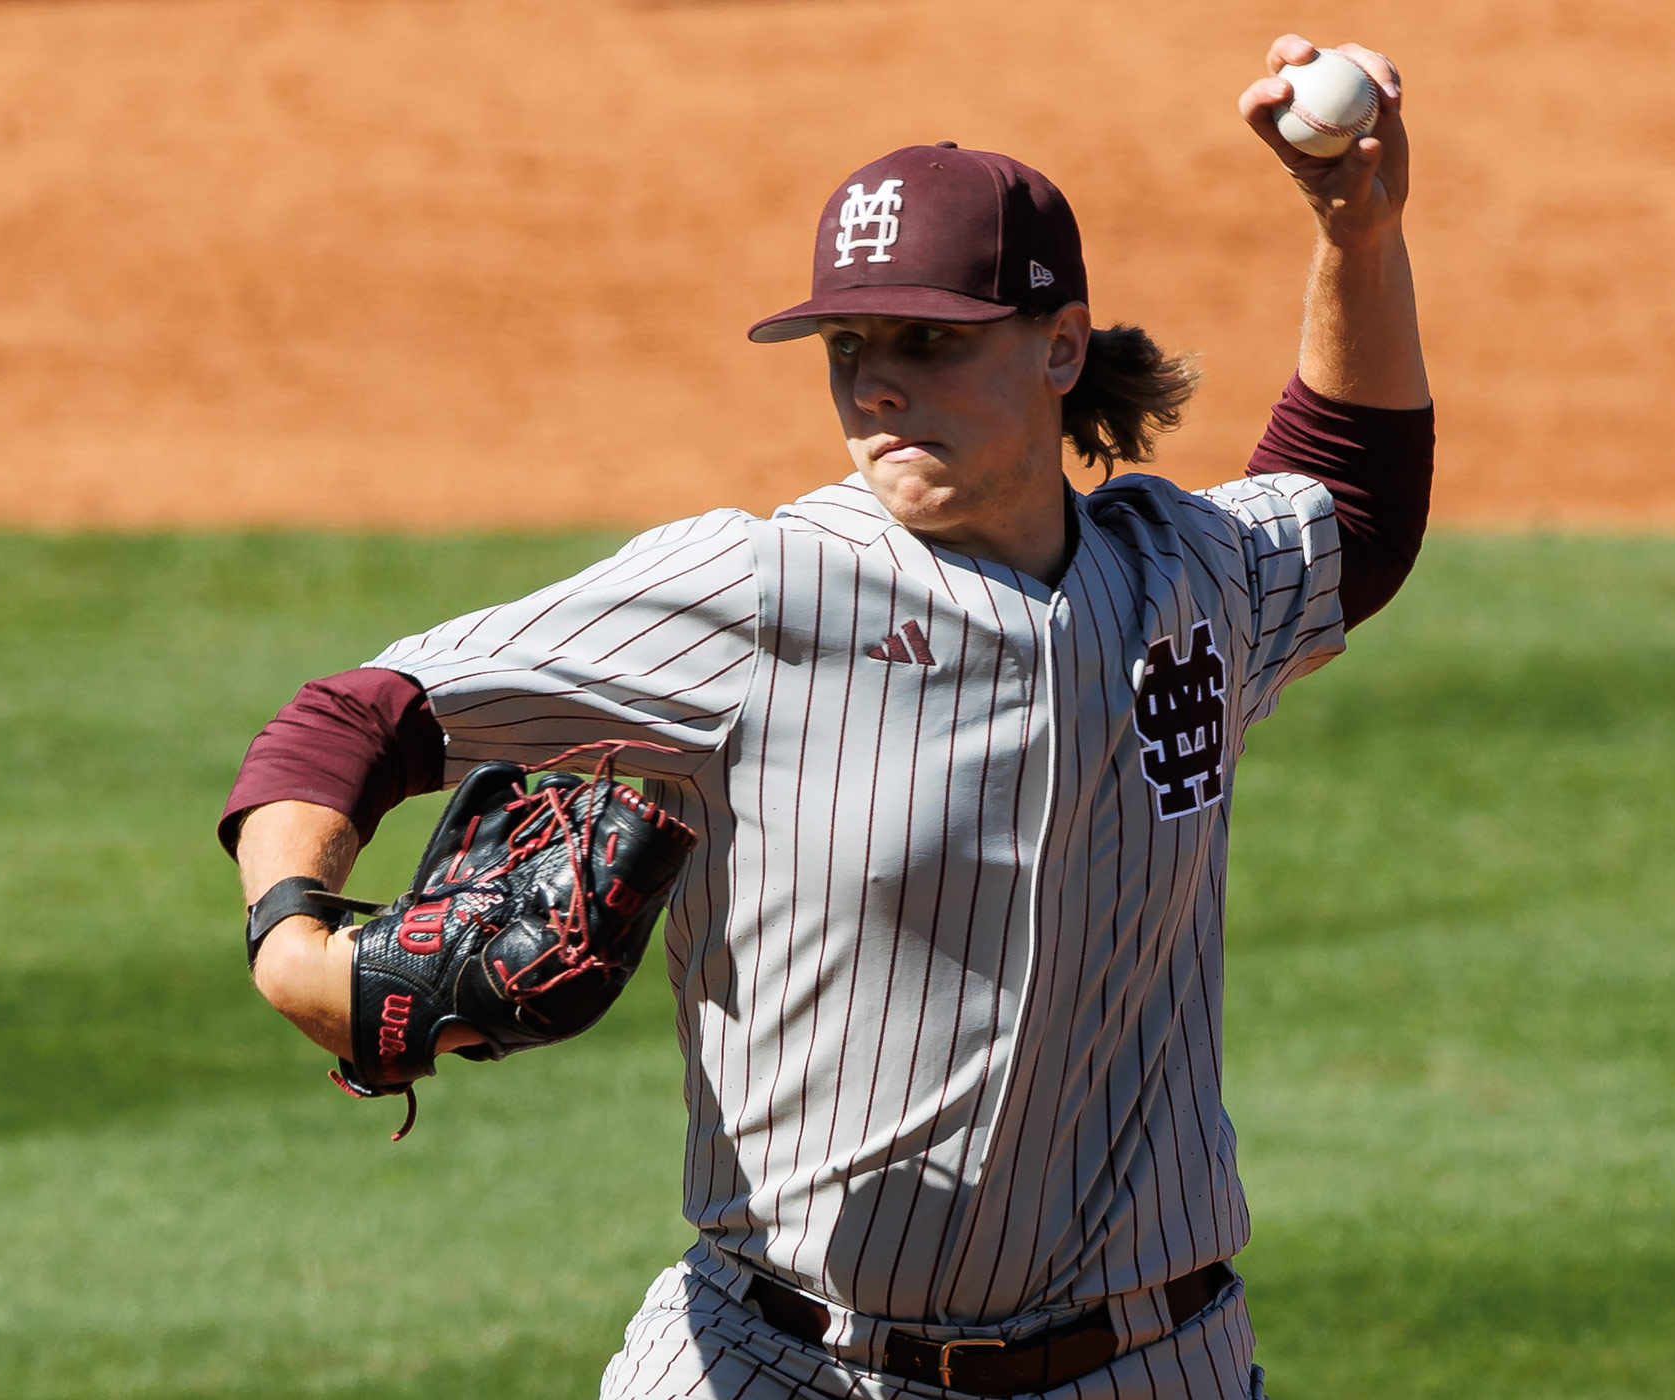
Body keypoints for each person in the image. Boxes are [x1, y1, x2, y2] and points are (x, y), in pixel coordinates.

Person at [220, 36, 1431, 1400]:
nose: (876, 385)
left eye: (930, 341)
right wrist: (290, 937)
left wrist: (1356, 229)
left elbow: (1356, 517)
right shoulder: (755, 591)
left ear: (1061, 348)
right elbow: (356, 716)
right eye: (849, 345)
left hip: (1152, 1364)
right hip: (784, 1363)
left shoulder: (1183, 576)